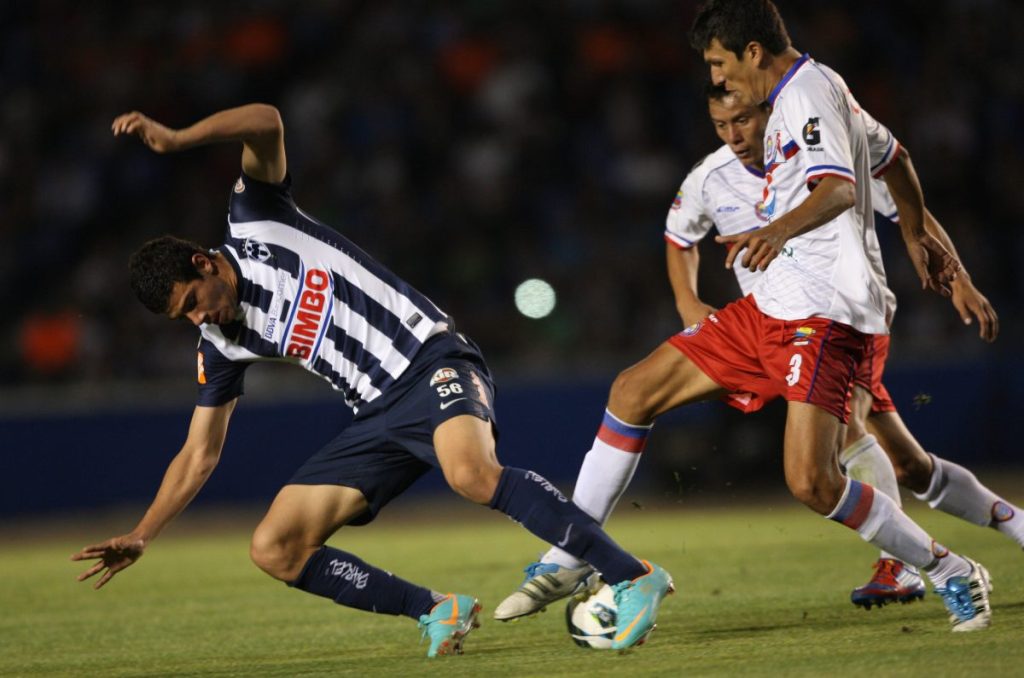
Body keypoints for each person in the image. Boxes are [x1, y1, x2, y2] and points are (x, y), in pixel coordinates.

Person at [69, 103, 673, 656]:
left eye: (194, 301)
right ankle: (436, 607)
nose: (200, 318)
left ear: (203, 262)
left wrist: (179, 139)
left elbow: (265, 119)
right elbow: (199, 453)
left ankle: (633, 576)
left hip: (431, 358)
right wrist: (144, 533)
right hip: (377, 415)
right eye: (186, 319)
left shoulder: (257, 217)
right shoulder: (221, 342)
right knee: (274, 547)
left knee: (470, 474)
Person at [495, 0, 993, 632]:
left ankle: (951, 570)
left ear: (753, 52)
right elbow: (894, 156)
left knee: (814, 482)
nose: (719, 80)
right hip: (769, 306)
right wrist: (919, 233)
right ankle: (572, 551)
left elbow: (840, 186)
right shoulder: (806, 95)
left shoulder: (808, 93)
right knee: (631, 391)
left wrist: (778, 231)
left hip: (824, 312)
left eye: (719, 63)